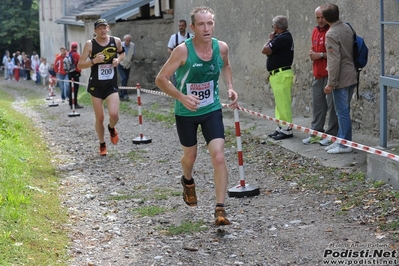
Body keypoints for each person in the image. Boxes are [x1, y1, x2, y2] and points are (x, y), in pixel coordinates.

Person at [155, 6, 238, 226]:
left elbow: (227, 66)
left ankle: (220, 209)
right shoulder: (182, 51)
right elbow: (161, 79)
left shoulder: (221, 48)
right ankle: (188, 181)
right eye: (201, 24)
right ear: (192, 27)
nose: (206, 28)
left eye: (210, 23)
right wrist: (182, 97)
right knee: (189, 158)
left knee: (218, 156)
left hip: (211, 109)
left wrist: (229, 87)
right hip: (186, 112)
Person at [77, 18, 125, 156]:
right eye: (100, 28)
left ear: (108, 28)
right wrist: (93, 61)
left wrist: (118, 60)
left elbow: (122, 52)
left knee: (114, 114)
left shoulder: (116, 41)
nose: (103, 31)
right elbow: (80, 65)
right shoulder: (90, 44)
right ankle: (102, 144)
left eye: (105, 28)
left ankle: (111, 128)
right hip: (96, 85)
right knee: (99, 118)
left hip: (111, 84)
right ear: (95, 30)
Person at [321, 3, 357, 154]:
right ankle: (341, 140)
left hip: (341, 78)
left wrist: (331, 83)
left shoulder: (331, 33)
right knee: (343, 111)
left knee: (341, 112)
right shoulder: (347, 27)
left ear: (326, 18)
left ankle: (344, 144)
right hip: (351, 74)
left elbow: (334, 60)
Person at [302, 6, 338, 146]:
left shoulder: (332, 31)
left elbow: (336, 55)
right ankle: (316, 133)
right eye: (317, 17)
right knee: (318, 107)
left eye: (322, 17)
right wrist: (312, 53)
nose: (320, 20)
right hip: (318, 74)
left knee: (332, 107)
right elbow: (314, 48)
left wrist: (320, 55)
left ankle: (331, 136)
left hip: (330, 75)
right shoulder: (315, 31)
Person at [262, 15, 295, 140]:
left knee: (284, 103)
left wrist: (269, 39)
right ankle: (280, 126)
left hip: (282, 74)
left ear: (276, 27)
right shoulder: (280, 37)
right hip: (276, 74)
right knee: (279, 103)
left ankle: (287, 129)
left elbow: (265, 50)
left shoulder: (284, 37)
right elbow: (269, 52)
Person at [167, 19, 192, 86]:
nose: (181, 27)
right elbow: (169, 49)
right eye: (179, 26)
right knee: (177, 79)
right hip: (178, 62)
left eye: (182, 25)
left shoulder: (191, 37)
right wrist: (175, 56)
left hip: (189, 62)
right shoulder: (174, 37)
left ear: (186, 26)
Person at [117, 34, 135, 101]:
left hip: (128, 64)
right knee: (123, 78)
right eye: (127, 41)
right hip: (121, 64)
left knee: (126, 79)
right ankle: (124, 94)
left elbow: (133, 54)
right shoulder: (120, 45)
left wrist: (131, 60)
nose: (128, 42)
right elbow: (117, 54)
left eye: (129, 41)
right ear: (124, 40)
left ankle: (122, 94)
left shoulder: (132, 45)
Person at [68, 42, 83, 109]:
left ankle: (71, 103)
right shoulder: (76, 55)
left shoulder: (68, 54)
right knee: (75, 89)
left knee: (71, 88)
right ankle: (75, 103)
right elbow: (80, 64)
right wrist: (79, 71)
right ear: (76, 47)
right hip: (75, 73)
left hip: (69, 73)